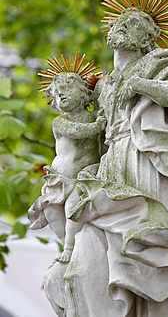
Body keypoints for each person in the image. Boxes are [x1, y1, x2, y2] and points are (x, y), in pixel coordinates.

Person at [42, 0, 168, 317]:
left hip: (149, 161)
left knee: (150, 246)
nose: (119, 28)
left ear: (148, 38)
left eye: (131, 24)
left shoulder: (162, 63)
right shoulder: (103, 84)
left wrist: (143, 85)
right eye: (117, 23)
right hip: (110, 166)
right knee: (88, 260)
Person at [28, 68, 105, 263]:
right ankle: (67, 243)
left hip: (84, 175)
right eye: (56, 92)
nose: (60, 93)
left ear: (83, 92)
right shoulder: (60, 121)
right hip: (59, 177)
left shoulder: (94, 115)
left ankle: (71, 247)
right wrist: (97, 126)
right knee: (52, 212)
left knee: (73, 208)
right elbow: (76, 131)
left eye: (66, 88)